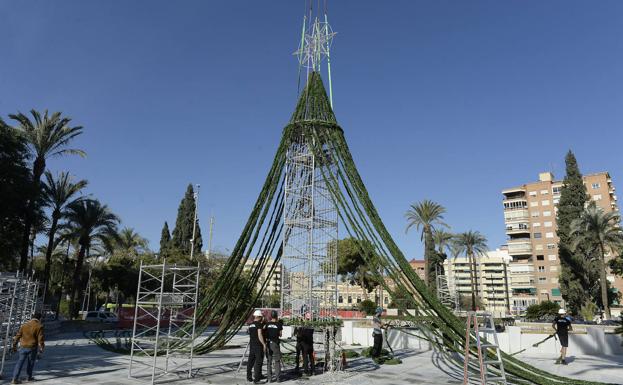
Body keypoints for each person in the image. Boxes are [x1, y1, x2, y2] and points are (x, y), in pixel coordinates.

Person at [11, 312, 45, 384]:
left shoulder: (24, 325)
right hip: (32, 347)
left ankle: (14, 379)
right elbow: (40, 338)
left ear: (32, 317)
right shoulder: (39, 326)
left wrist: (14, 345)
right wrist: (41, 347)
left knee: (19, 362)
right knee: (31, 363)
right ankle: (29, 377)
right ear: (40, 318)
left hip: (23, 347)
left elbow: (17, 336)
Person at [247, 310, 267, 383]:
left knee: (250, 361)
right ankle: (257, 379)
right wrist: (264, 344)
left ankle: (249, 377)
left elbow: (250, 332)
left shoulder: (251, 324)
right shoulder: (259, 324)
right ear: (259, 317)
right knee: (258, 362)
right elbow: (259, 335)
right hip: (258, 345)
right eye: (261, 317)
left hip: (252, 345)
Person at [263, 310, 283, 383]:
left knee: (269, 361)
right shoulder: (279, 324)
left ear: (271, 316)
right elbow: (280, 334)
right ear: (276, 316)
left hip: (268, 343)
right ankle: (278, 378)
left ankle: (270, 379)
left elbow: (264, 332)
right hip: (275, 344)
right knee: (277, 361)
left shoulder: (267, 324)